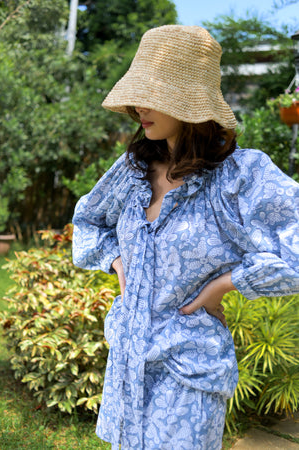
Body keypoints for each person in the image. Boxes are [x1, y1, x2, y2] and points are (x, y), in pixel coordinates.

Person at [72, 25, 299, 450]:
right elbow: (89, 222)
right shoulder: (132, 169)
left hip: (188, 374)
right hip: (128, 367)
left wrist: (224, 285)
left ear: (189, 99)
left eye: (153, 93)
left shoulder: (239, 177)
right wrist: (117, 262)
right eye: (137, 92)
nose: (140, 106)